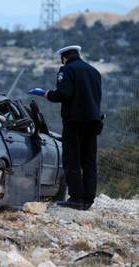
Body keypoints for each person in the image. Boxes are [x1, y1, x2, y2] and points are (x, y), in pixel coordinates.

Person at [44, 45, 102, 210]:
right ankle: (88, 199)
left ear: (64, 57)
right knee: (89, 161)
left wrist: (48, 94)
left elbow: (64, 93)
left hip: (74, 122)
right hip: (93, 122)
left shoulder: (67, 69)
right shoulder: (94, 71)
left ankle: (76, 198)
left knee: (72, 159)